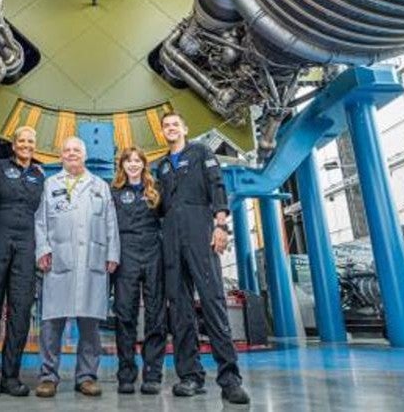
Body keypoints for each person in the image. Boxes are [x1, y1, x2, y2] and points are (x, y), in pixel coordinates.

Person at [154, 112, 250, 404]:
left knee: (213, 303)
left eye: (175, 124)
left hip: (199, 230)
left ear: (184, 128)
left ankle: (230, 379)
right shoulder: (161, 166)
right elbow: (159, 206)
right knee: (180, 310)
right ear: (162, 133)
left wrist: (220, 224)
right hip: (170, 237)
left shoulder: (201, 152)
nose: (171, 128)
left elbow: (216, 185)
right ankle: (190, 376)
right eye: (166, 126)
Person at [34, 136, 120, 398]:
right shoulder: (50, 184)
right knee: (51, 324)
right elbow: (40, 222)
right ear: (61, 156)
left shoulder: (99, 186)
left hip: (92, 261)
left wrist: (112, 253)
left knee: (90, 326)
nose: (72, 154)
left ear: (84, 155)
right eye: (67, 150)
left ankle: (86, 376)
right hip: (58, 260)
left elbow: (110, 222)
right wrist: (43, 249)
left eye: (76, 150)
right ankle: (48, 376)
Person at [0, 126, 47, 397]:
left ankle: (11, 375)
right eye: (22, 141)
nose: (26, 145)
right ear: (14, 144)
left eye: (31, 141)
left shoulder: (39, 175)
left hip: (26, 247)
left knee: (20, 312)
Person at [110, 146, 167, 395]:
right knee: (125, 316)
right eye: (128, 161)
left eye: (137, 161)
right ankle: (126, 374)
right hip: (125, 255)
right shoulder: (113, 193)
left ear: (144, 165)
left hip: (154, 253)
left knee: (156, 315)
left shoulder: (155, 192)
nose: (133, 164)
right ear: (121, 165)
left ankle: (153, 374)